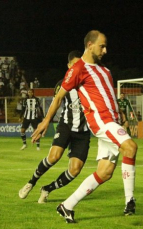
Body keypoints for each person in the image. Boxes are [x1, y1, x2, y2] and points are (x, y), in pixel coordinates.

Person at [31, 30, 138, 223]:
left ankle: (67, 206)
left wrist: (120, 117)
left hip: (112, 121)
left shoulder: (104, 70)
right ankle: (130, 201)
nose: (105, 50)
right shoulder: (78, 68)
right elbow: (58, 97)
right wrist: (46, 120)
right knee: (131, 147)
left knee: (105, 172)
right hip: (101, 122)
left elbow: (108, 97)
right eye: (102, 46)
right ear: (89, 45)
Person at [18, 50, 91, 204]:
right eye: (74, 64)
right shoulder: (62, 84)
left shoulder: (90, 83)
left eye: (80, 64)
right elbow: (57, 101)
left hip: (83, 132)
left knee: (75, 169)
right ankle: (31, 182)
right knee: (54, 157)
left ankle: (47, 189)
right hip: (66, 125)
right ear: (69, 65)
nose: (77, 67)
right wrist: (46, 121)